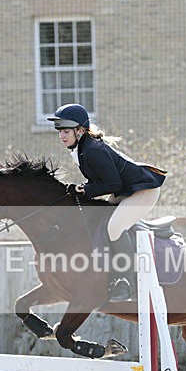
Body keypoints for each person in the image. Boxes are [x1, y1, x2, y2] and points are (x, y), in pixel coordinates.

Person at [47, 103, 166, 302]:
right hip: (127, 190)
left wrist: (84, 189)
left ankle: (128, 281)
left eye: (66, 131)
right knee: (101, 222)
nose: (62, 136)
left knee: (115, 227)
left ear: (80, 130)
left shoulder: (92, 149)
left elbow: (112, 183)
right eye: (60, 132)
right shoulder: (82, 148)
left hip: (143, 190)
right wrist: (82, 188)